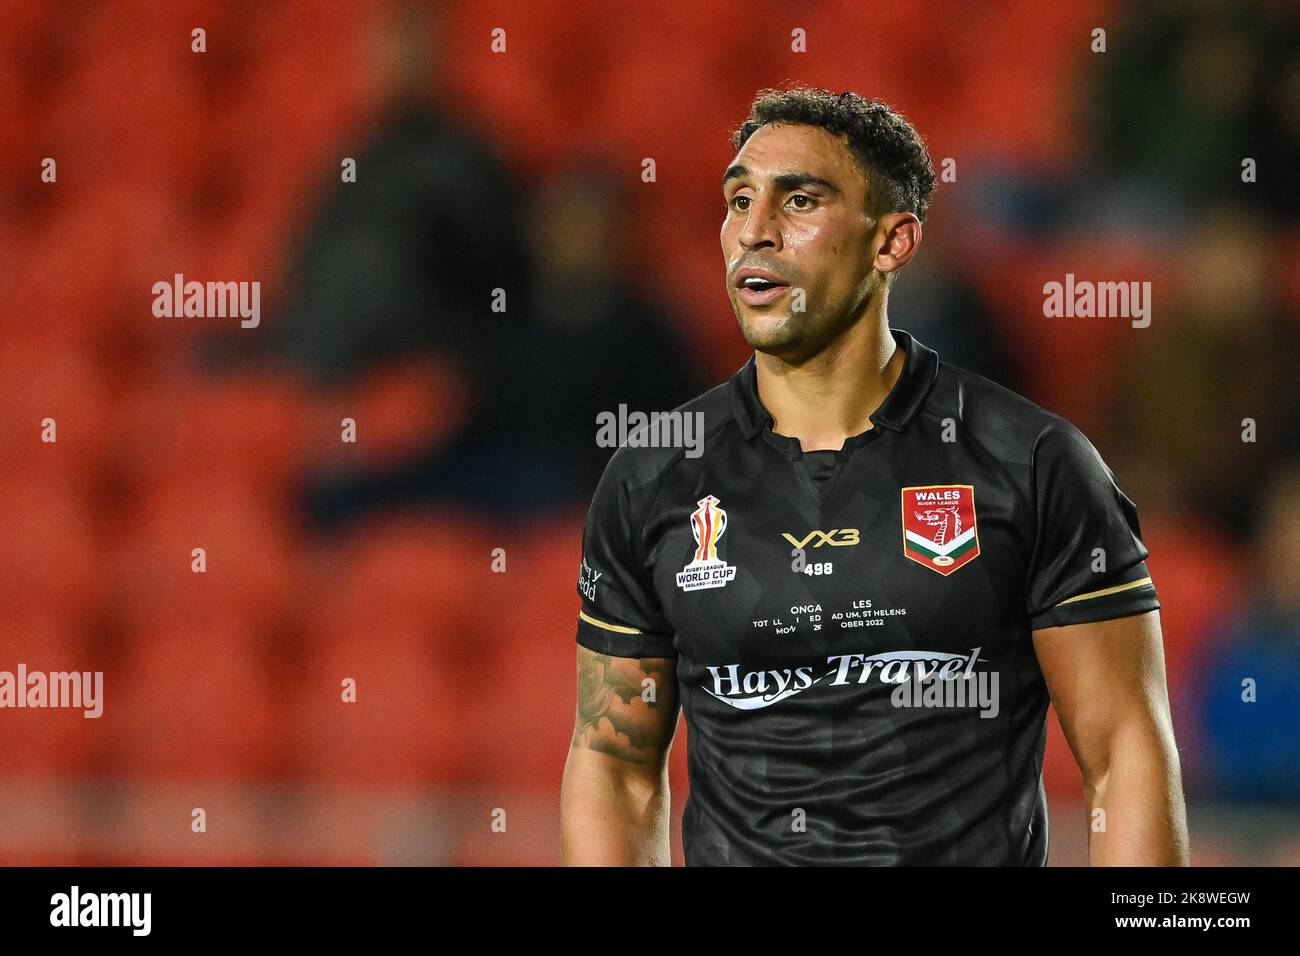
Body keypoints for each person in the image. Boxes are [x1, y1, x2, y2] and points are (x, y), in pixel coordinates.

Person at [559, 87, 1189, 866]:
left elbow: (1125, 753)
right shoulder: (653, 476)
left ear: (892, 242)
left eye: (799, 200)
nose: (754, 230)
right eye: (739, 200)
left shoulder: (1031, 462)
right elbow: (615, 764)